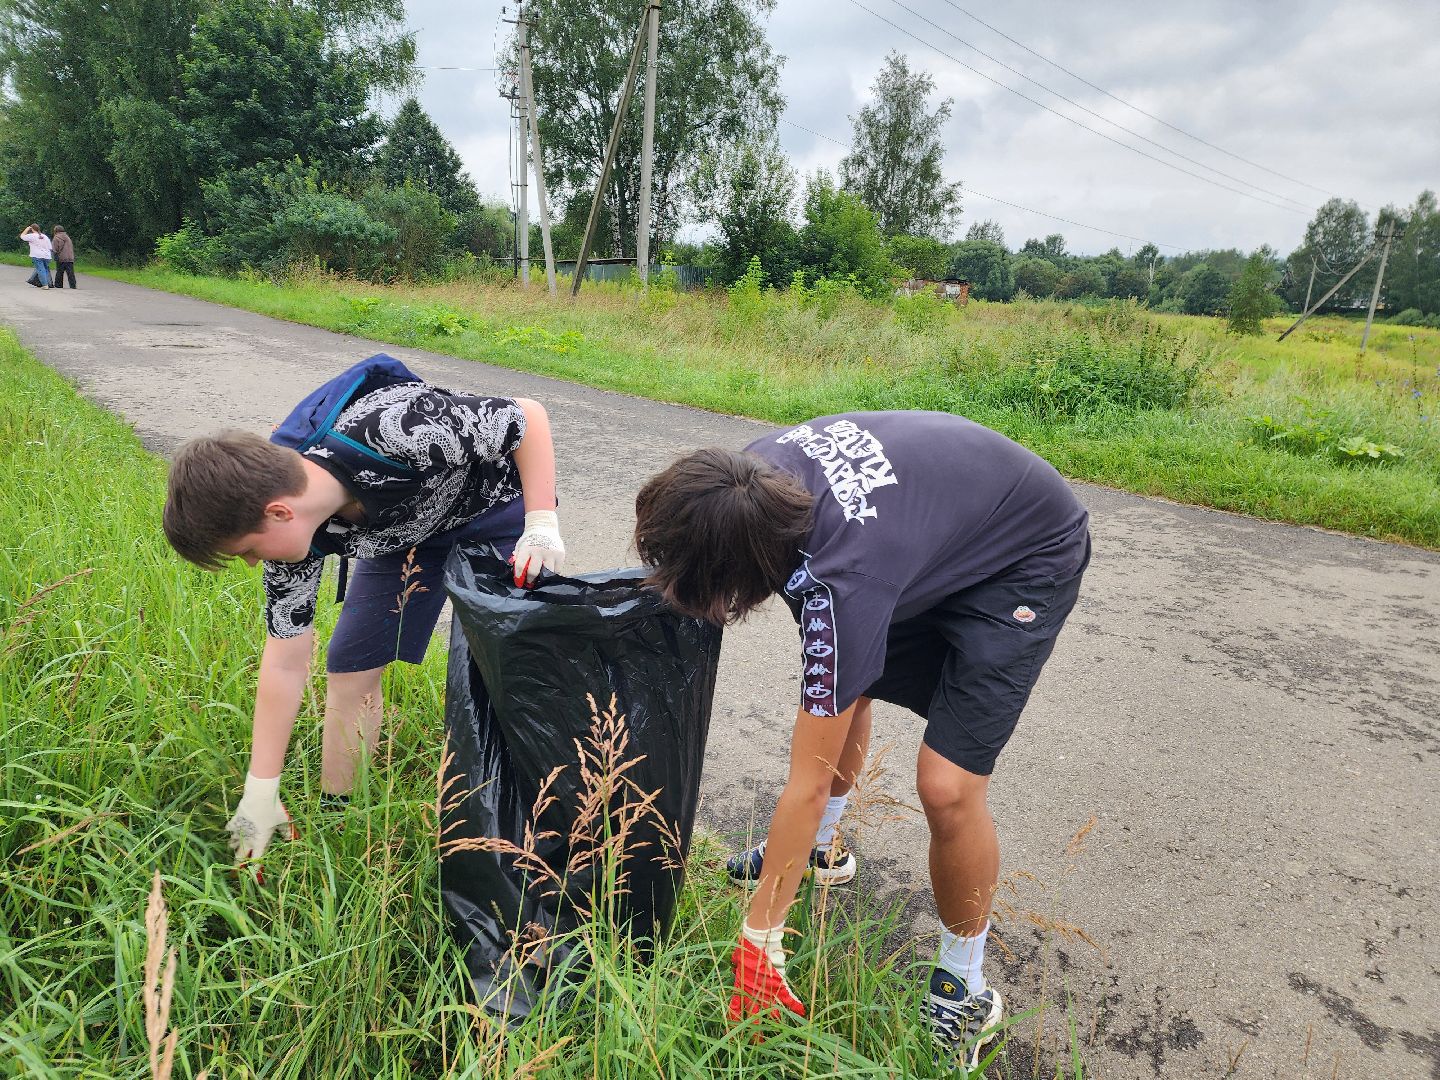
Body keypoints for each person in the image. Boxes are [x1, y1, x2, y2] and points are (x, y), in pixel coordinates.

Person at [632, 411, 1090, 1068]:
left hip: (1024, 548)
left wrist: (760, 939)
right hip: (927, 526)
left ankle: (965, 984)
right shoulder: (740, 484)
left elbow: (807, 780)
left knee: (947, 785)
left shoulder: (842, 576)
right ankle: (822, 853)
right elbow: (836, 683)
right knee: (849, 678)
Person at [163, 360, 566, 867]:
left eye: (246, 549)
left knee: (505, 663)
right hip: (400, 535)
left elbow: (527, 418)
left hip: (495, 512)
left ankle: (535, 815)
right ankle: (341, 814)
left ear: (279, 512)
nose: (250, 563)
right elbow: (285, 663)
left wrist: (542, 523)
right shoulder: (294, 546)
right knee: (350, 665)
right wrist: (259, 791)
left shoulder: (394, 428)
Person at [19, 224, 51, 288]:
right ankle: (48, 283)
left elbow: (22, 236)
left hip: (37, 255)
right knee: (45, 269)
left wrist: (27, 229)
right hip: (47, 256)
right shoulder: (45, 236)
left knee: (40, 270)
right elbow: (50, 247)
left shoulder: (32, 236)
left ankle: (45, 285)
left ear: (32, 229)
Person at [50, 225, 76, 289]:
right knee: (70, 273)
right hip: (70, 257)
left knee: (59, 272)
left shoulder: (56, 238)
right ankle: (73, 285)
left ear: (55, 231)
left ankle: (58, 285)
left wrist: (55, 255)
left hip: (61, 257)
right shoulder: (67, 237)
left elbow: (55, 248)